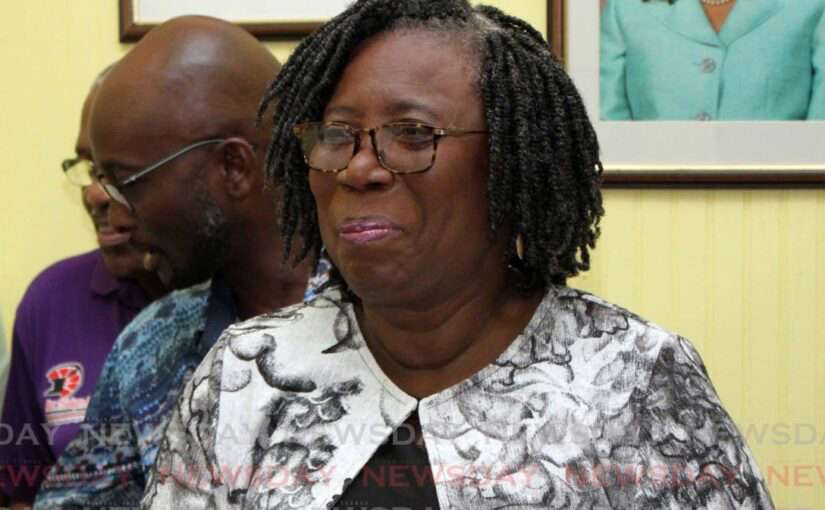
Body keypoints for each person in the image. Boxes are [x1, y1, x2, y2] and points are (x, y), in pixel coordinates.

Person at [142, 1, 774, 509]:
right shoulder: (248, 371)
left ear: (510, 167)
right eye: (337, 135)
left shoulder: (633, 378)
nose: (359, 168)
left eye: (413, 134)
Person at [33, 16, 326, 509]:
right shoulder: (149, 347)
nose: (115, 214)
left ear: (233, 167)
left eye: (127, 183)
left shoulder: (398, 327)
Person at [0, 71, 167, 508]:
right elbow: (22, 492)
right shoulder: (50, 301)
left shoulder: (245, 299)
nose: (95, 193)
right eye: (92, 170)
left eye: (119, 172)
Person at [600, 0, 825, 120]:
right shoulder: (626, 7)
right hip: (649, 189)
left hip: (780, 188)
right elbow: (607, 119)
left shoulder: (812, 6)